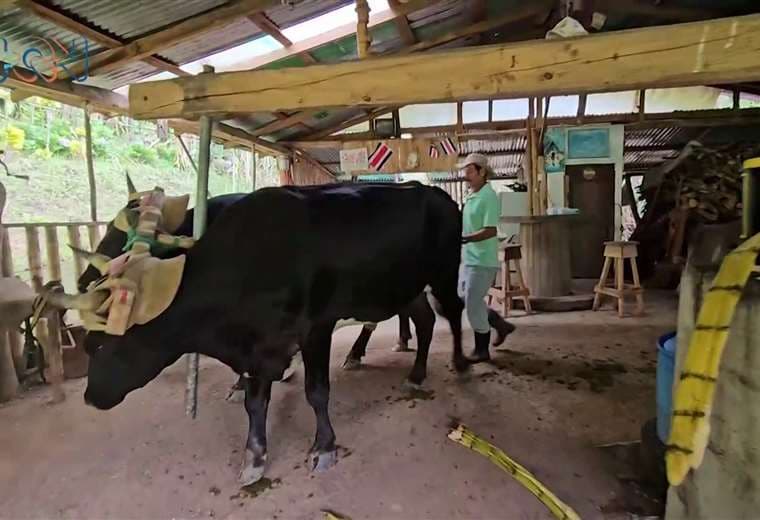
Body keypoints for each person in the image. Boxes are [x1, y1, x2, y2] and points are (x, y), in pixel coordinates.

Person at [458, 153, 515, 362]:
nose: (466, 176)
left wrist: (464, 238)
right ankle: (500, 324)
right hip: (469, 258)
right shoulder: (472, 195)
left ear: (482, 172)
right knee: (465, 298)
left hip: (483, 259)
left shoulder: (488, 196)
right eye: (465, 172)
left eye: (470, 171)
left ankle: (482, 350)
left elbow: (490, 230)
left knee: (472, 303)